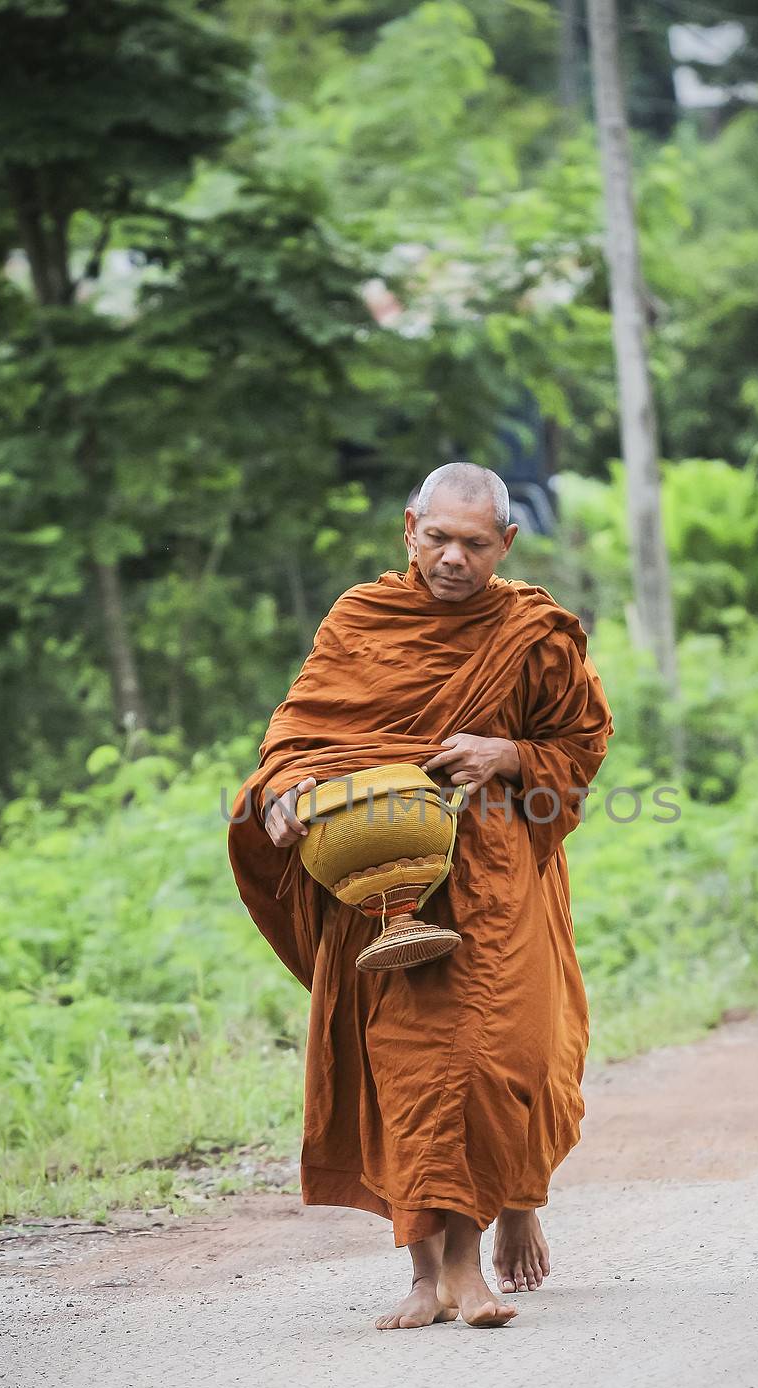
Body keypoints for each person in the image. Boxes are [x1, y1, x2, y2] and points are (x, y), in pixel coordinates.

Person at [226, 462, 613, 1328]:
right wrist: (282, 796)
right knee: (402, 1064)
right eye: (437, 538)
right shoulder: (361, 620)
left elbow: (579, 742)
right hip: (375, 878)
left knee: (493, 1059)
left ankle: (491, 1234)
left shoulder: (534, 632)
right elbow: (295, 736)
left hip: (490, 880)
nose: (451, 559)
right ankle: (425, 1275)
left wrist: (507, 756)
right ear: (409, 529)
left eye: (474, 545)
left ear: (504, 545)